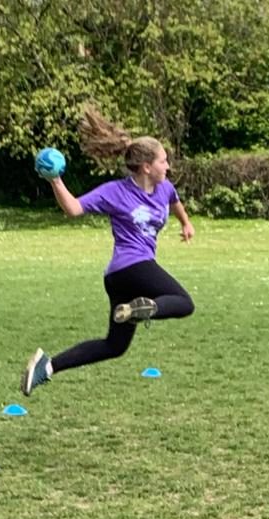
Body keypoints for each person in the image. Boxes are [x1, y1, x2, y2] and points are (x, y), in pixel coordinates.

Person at [20, 109, 195, 397]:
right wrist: (55, 180)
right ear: (147, 167)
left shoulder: (164, 188)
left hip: (118, 278)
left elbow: (175, 202)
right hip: (133, 267)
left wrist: (186, 223)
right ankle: (145, 309)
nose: (168, 166)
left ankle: (46, 367)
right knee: (184, 303)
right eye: (163, 161)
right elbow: (74, 208)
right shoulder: (115, 192)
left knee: (115, 346)